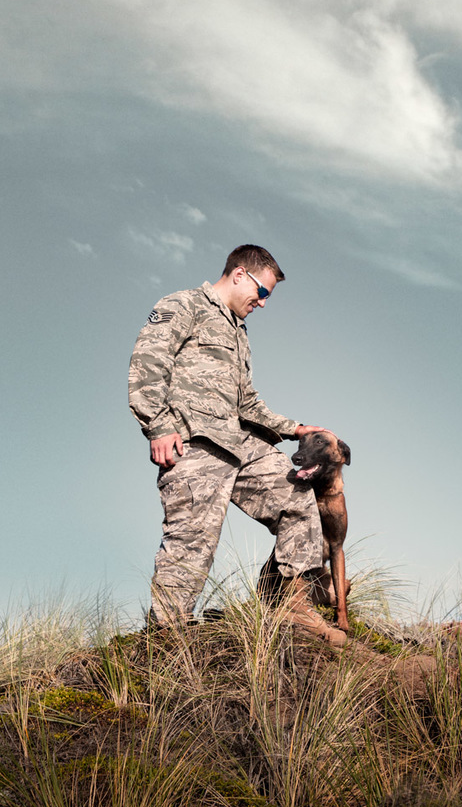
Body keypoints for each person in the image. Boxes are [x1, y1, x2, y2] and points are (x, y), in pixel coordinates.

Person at [128, 243, 345, 645]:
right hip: (194, 445)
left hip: (240, 444)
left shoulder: (239, 333)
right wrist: (158, 427)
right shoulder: (184, 304)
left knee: (298, 498)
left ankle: (290, 607)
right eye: (262, 292)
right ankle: (165, 640)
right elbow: (147, 362)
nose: (262, 303)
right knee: (192, 544)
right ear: (240, 274)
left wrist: (295, 428)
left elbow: (247, 403)